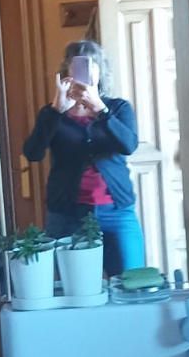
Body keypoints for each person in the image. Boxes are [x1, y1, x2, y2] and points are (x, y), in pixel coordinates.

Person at [22, 39, 144, 276]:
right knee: (73, 286)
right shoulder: (53, 113)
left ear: (100, 71)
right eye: (76, 65)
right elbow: (32, 153)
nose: (83, 73)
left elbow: (129, 145)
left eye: (90, 65)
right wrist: (56, 110)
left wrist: (100, 110)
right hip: (67, 214)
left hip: (117, 212)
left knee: (131, 281)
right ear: (66, 70)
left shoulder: (117, 108)